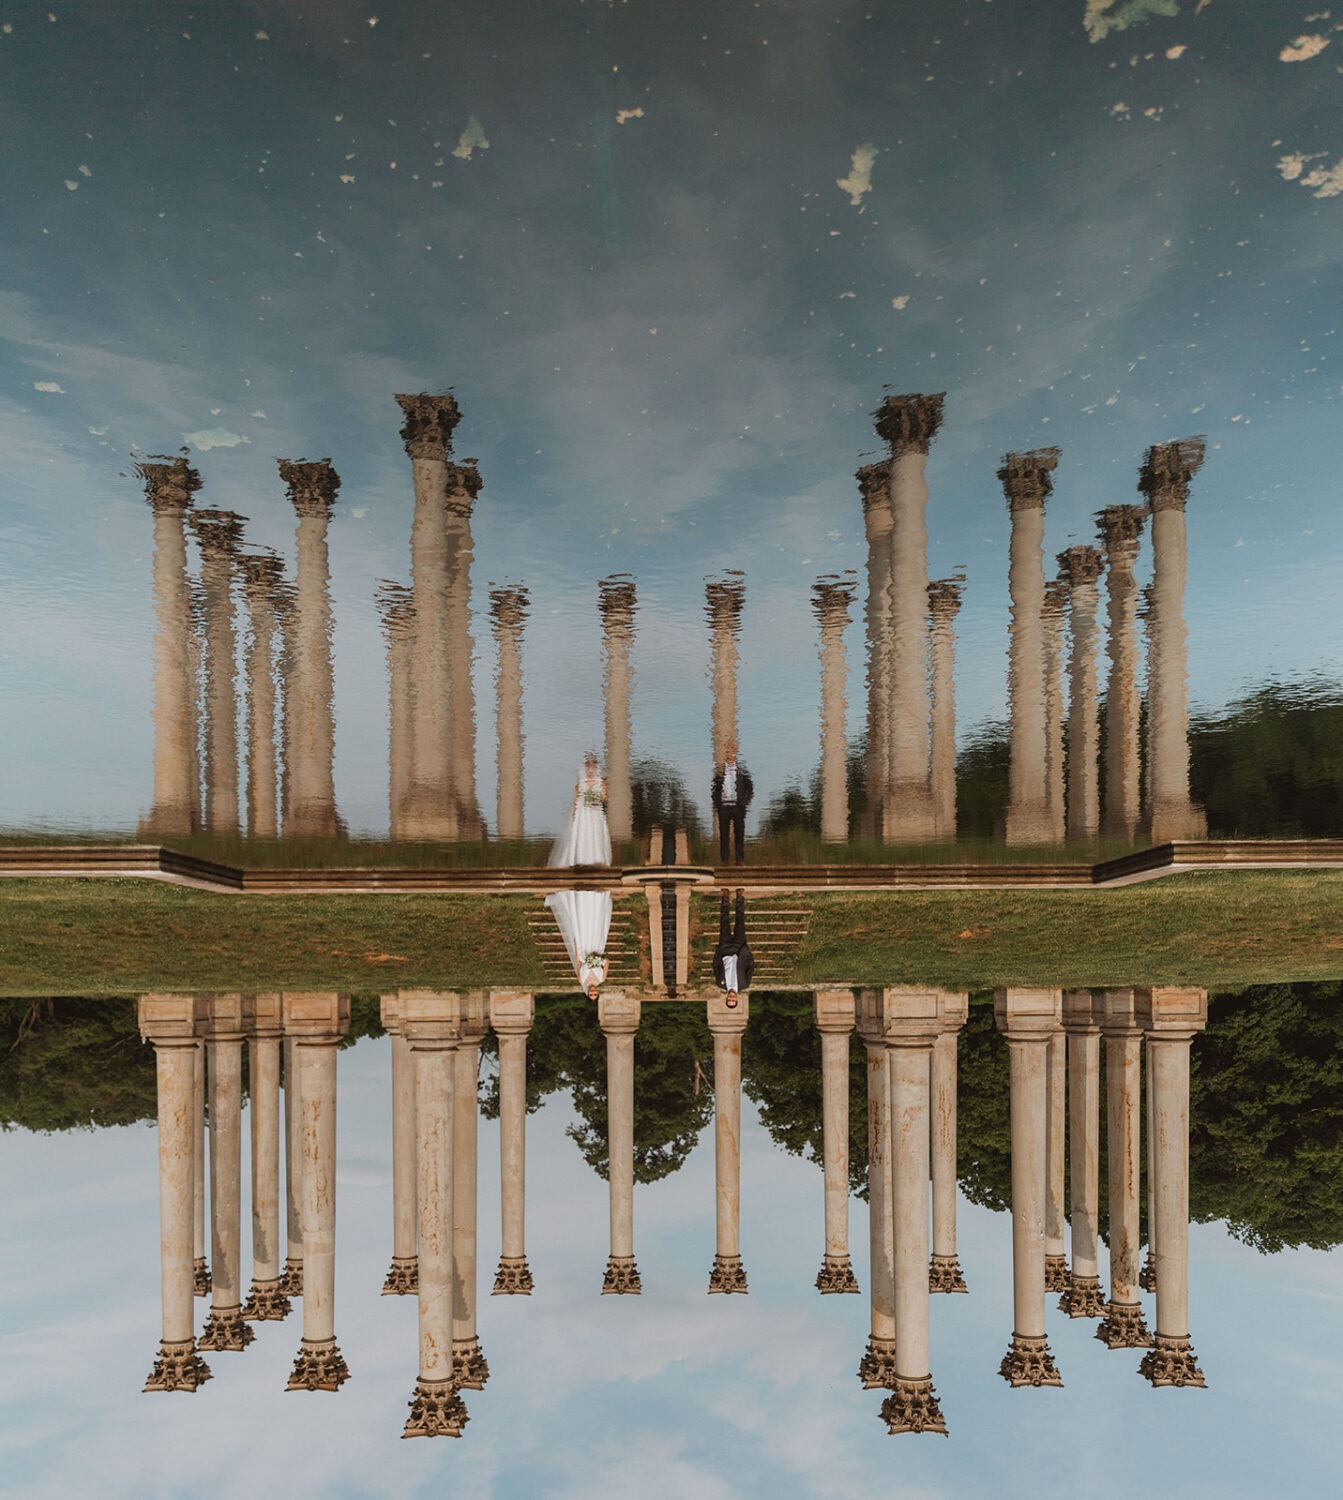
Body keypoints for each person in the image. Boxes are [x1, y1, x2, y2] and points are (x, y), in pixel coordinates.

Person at [546, 753, 615, 997]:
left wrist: (578, 945)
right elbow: (606, 961)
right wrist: (598, 958)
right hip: (596, 941)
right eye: (597, 995)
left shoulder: (581, 977)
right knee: (592, 829)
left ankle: (583, 860)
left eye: (592, 995)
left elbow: (576, 956)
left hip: (584, 940)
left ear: (588, 992)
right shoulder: (602, 978)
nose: (595, 992)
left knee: (588, 829)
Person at [547, 751, 612, 868]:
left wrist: (598, 799)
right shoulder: (581, 783)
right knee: (583, 830)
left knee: (595, 830)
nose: (590, 771)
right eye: (589, 768)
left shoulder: (601, 782)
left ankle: (597, 858)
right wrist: (575, 811)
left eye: (593, 768)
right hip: (584, 810)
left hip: (596, 810)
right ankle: (581, 858)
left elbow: (605, 797)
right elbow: (576, 797)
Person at [711, 744, 753, 865]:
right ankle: (724, 860)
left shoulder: (742, 772)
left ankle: (740, 859)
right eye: (727, 754)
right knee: (724, 835)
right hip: (724, 807)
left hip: (737, 806)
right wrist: (717, 804)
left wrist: (744, 802)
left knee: (739, 833)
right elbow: (714, 790)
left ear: (735, 755)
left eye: (731, 753)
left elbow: (749, 788)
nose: (729, 756)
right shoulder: (719, 773)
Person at [711, 889, 754, 1007]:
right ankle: (740, 897)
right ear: (737, 999)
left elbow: (715, 967)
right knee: (740, 922)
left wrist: (717, 954)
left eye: (729, 999)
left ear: (726, 998)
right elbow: (750, 967)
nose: (731, 997)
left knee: (724, 922)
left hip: (724, 950)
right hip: (739, 950)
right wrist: (747, 954)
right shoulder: (744, 984)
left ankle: (725, 897)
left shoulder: (720, 984)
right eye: (733, 1000)